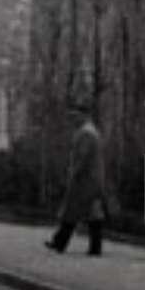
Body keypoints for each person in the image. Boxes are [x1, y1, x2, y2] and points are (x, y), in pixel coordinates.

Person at [45, 95, 106, 256]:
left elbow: (82, 158)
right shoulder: (92, 131)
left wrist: (73, 174)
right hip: (92, 178)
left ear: (84, 115)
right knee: (91, 213)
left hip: (85, 179)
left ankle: (61, 243)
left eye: (75, 115)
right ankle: (90, 247)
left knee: (72, 210)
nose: (73, 119)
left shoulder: (85, 133)